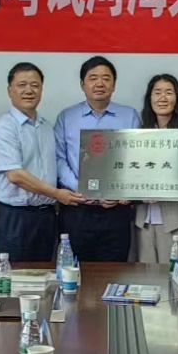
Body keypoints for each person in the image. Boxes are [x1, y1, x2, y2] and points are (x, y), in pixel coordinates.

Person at [0, 62, 83, 261]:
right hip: (14, 217)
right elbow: (16, 176)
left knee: (43, 275)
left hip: (46, 217)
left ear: (41, 89)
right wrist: (56, 194)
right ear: (10, 90)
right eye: (22, 85)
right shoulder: (4, 127)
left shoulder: (46, 126)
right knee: (13, 275)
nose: (29, 91)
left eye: (35, 85)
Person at [54, 56, 142, 262]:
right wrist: (80, 187)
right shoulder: (67, 116)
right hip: (77, 207)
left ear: (114, 85)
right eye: (93, 78)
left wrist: (121, 191)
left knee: (115, 271)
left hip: (116, 210)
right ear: (82, 84)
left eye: (106, 78)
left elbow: (137, 159)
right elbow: (58, 158)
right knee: (75, 270)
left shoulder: (129, 115)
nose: (100, 83)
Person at [134, 74, 178, 262]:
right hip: (143, 220)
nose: (162, 98)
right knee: (145, 275)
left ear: (177, 98)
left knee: (174, 275)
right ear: (150, 98)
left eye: (169, 92)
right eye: (157, 93)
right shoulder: (138, 134)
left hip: (177, 219)